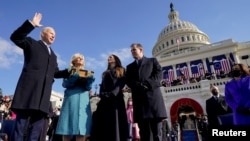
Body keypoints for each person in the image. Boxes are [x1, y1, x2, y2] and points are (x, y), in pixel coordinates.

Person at [9, 13, 69, 141]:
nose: (54, 35)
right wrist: (31, 24)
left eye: (55, 35)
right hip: (29, 93)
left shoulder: (53, 55)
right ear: (43, 34)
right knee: (20, 127)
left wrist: (69, 71)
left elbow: (56, 73)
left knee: (36, 131)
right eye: (51, 32)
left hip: (43, 98)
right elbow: (16, 37)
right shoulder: (32, 43)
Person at [126, 43, 167, 141]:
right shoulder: (129, 67)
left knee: (157, 133)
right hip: (140, 104)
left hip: (153, 103)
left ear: (141, 50)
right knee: (144, 134)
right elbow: (128, 81)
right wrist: (138, 85)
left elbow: (158, 76)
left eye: (134, 50)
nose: (132, 52)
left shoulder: (152, 61)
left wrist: (146, 84)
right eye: (131, 50)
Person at [55, 53, 95, 141]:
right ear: (73, 60)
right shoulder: (68, 71)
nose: (80, 59)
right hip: (71, 99)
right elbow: (65, 84)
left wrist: (90, 81)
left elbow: (88, 87)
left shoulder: (87, 72)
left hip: (84, 100)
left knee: (82, 129)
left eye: (81, 58)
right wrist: (74, 77)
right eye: (78, 58)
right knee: (67, 128)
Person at [91, 54, 128, 141]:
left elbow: (121, 83)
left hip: (116, 100)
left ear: (116, 59)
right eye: (108, 57)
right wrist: (102, 94)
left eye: (111, 57)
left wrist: (113, 93)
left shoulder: (122, 70)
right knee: (103, 124)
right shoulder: (105, 73)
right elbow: (102, 86)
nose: (108, 58)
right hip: (104, 101)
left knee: (116, 123)